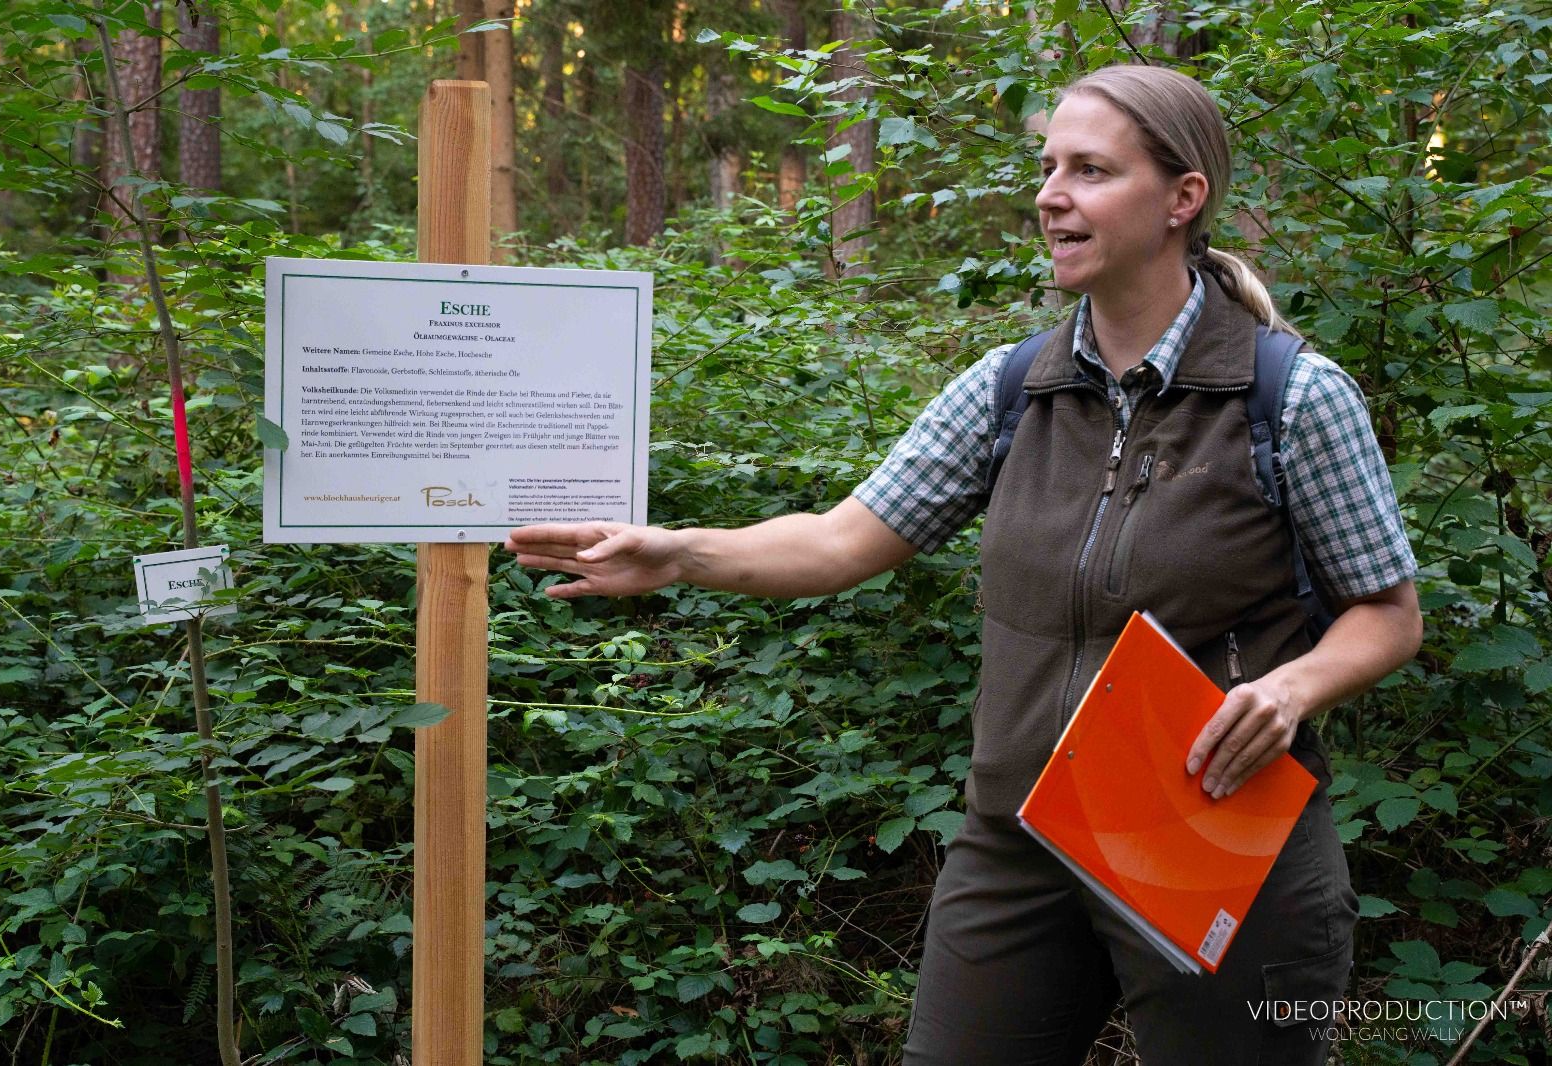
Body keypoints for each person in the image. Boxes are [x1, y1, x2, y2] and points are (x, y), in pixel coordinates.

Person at [506, 63, 1422, 1066]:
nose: (1049, 195)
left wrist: (1291, 688)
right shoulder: (1010, 390)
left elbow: (1386, 614)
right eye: (1046, 168)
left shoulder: (1288, 396)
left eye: (1089, 170)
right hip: (1018, 838)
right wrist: (680, 551)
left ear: (1182, 198)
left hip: (1210, 837)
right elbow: (843, 537)